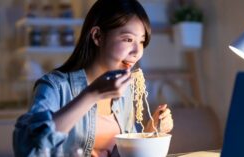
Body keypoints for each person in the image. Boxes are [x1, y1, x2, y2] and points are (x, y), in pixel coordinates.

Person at [13, 0, 173, 156]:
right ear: (97, 36)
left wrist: (149, 133)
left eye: (142, 41)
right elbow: (29, 148)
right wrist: (91, 94)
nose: (137, 52)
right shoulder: (54, 86)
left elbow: (124, 152)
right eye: (128, 39)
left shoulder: (125, 90)